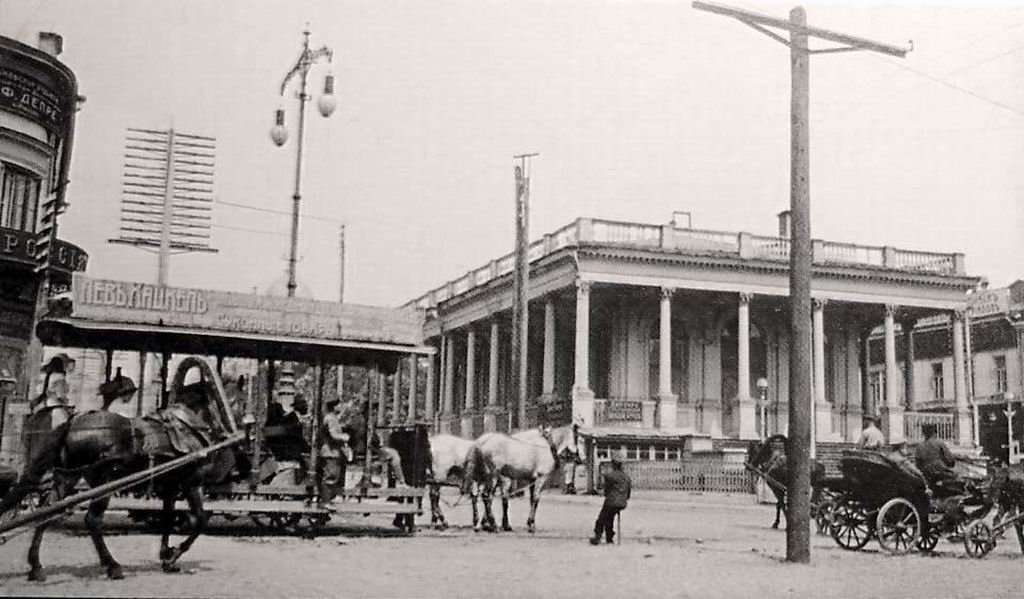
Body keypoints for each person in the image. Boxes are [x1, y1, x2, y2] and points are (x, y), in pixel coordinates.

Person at [590, 450, 631, 545]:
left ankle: (598, 537)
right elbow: (628, 494)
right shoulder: (627, 477)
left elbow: (606, 491)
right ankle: (609, 537)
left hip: (611, 501)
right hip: (622, 502)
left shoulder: (609, 476)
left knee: (601, 519)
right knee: (610, 517)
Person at [914, 423, 961, 496]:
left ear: (923, 433)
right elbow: (950, 460)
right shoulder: (939, 443)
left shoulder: (919, 446)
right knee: (960, 479)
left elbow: (918, 463)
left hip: (927, 475)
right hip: (941, 473)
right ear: (934, 433)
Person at [322, 398, 352, 497]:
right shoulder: (331, 418)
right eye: (339, 405)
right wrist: (344, 436)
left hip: (334, 451)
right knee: (331, 475)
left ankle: (331, 497)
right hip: (330, 451)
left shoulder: (333, 418)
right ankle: (326, 499)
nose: (340, 406)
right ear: (334, 406)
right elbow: (333, 434)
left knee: (335, 475)